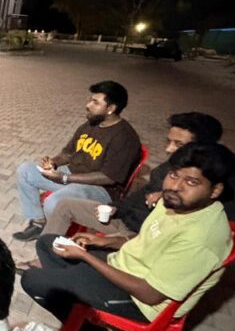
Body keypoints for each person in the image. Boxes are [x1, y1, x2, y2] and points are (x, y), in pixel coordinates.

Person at [20, 143, 235, 331]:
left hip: (139, 301)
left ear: (215, 190)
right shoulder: (172, 202)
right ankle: (75, 296)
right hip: (124, 266)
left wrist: (85, 257)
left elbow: (150, 295)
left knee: (33, 280)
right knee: (48, 244)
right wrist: (104, 241)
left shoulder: (201, 237)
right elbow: (144, 241)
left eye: (191, 182)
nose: (175, 186)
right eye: (173, 175)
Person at [40, 112, 235, 240]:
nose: (169, 149)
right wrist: (117, 208)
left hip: (146, 237)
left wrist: (174, 199)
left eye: (178, 144)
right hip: (126, 219)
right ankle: (44, 253)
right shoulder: (173, 165)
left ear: (203, 146)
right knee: (64, 205)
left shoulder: (220, 177)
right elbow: (143, 193)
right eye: (169, 141)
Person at [13, 80, 142, 242]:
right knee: (25, 171)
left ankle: (51, 239)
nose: (88, 105)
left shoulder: (124, 137)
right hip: (72, 176)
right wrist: (53, 163)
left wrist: (64, 178)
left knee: (54, 202)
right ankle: (39, 223)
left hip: (99, 189)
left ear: (111, 108)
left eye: (95, 102)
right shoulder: (90, 125)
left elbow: (108, 177)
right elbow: (68, 153)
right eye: (90, 100)